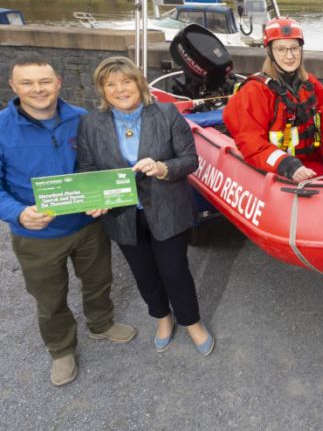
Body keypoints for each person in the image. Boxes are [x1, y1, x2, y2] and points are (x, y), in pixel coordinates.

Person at [0, 56, 136, 387]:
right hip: (37, 234)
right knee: (50, 298)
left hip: (88, 225)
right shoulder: (2, 127)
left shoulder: (83, 118)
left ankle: (101, 323)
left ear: (58, 82)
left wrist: (104, 196)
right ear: (13, 87)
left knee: (98, 280)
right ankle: (61, 348)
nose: (38, 90)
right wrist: (17, 213)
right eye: (28, 83)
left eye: (44, 82)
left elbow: (104, 163)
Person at [77, 56, 214, 356]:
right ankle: (163, 319)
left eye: (126, 81)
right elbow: (86, 168)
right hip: (122, 215)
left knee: (175, 271)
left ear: (139, 83)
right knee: (145, 274)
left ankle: (192, 322)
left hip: (167, 210)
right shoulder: (90, 123)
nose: (120, 89)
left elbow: (190, 160)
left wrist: (164, 168)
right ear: (102, 90)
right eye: (110, 84)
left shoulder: (167, 114)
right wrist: (95, 199)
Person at [223, 16, 323, 181]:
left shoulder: (310, 84)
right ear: (270, 52)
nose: (290, 56)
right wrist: (289, 166)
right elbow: (251, 143)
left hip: (313, 150)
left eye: (294, 48)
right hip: (282, 160)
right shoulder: (255, 90)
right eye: (281, 49)